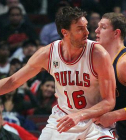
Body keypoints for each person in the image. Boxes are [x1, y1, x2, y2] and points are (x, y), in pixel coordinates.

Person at [0, 7, 116, 140]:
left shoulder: (98, 54)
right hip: (63, 117)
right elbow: (13, 81)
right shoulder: (48, 54)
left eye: (86, 27)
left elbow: (109, 101)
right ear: (65, 32)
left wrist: (80, 115)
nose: (87, 32)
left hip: (95, 120)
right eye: (80, 29)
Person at [94, 12, 126, 140]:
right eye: (98, 27)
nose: (96, 31)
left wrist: (115, 115)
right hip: (125, 133)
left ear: (116, 33)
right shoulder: (105, 60)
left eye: (103, 27)